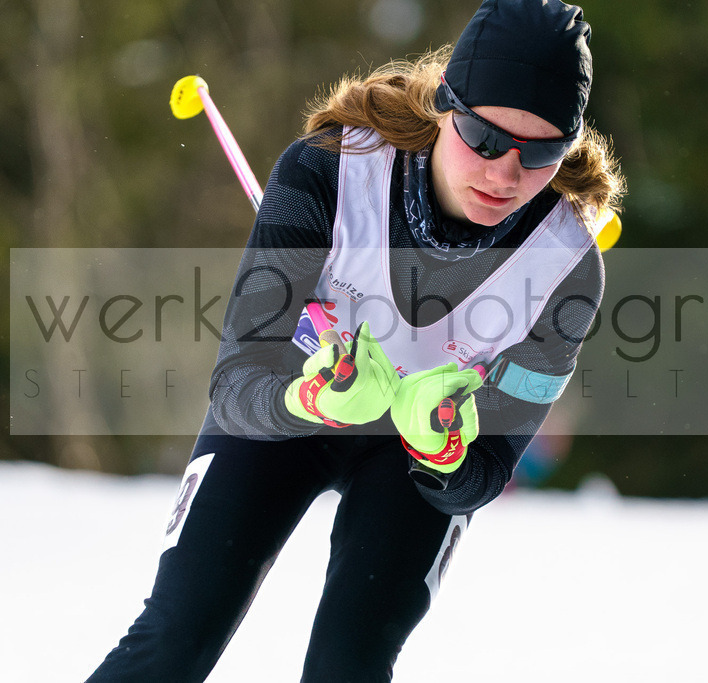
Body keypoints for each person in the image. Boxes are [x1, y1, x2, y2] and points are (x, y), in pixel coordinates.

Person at [88, 0, 623, 680]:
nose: (503, 174)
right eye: (484, 139)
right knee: (175, 637)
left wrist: (445, 449)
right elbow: (236, 382)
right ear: (444, 109)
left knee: (350, 664)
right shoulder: (330, 172)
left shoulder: (567, 265)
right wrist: (307, 398)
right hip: (286, 411)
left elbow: (490, 466)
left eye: (541, 152)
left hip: (412, 465)